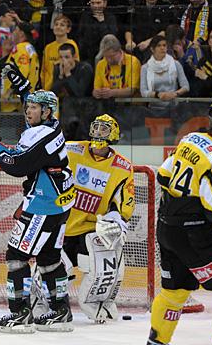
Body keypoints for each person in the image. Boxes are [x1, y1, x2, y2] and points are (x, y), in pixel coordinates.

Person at [0, 64, 76, 333]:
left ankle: (19, 314)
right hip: (58, 203)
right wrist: (22, 89)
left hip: (43, 203)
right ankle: (60, 311)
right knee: (49, 257)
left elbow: (16, 166)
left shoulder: (43, 135)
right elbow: (37, 106)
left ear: (47, 112)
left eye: (32, 107)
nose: (27, 110)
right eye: (27, 106)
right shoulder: (50, 126)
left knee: (16, 255)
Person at [147, 98, 212, 345]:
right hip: (194, 235)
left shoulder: (189, 139)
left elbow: (163, 175)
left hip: (166, 229)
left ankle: (155, 343)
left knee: (174, 292)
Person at [63, 114, 135, 323]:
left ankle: (99, 306)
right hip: (63, 225)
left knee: (102, 269)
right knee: (52, 272)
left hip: (92, 228)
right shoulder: (71, 149)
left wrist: (117, 217)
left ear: (113, 134)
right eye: (96, 127)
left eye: (104, 129)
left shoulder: (122, 166)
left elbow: (125, 202)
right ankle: (51, 306)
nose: (98, 133)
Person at [140, 35, 189, 108]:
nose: (162, 48)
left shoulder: (176, 64)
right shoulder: (145, 68)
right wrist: (158, 95)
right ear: (152, 49)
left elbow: (186, 86)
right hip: (153, 110)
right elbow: (143, 92)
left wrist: (175, 94)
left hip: (173, 108)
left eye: (164, 45)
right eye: (159, 46)